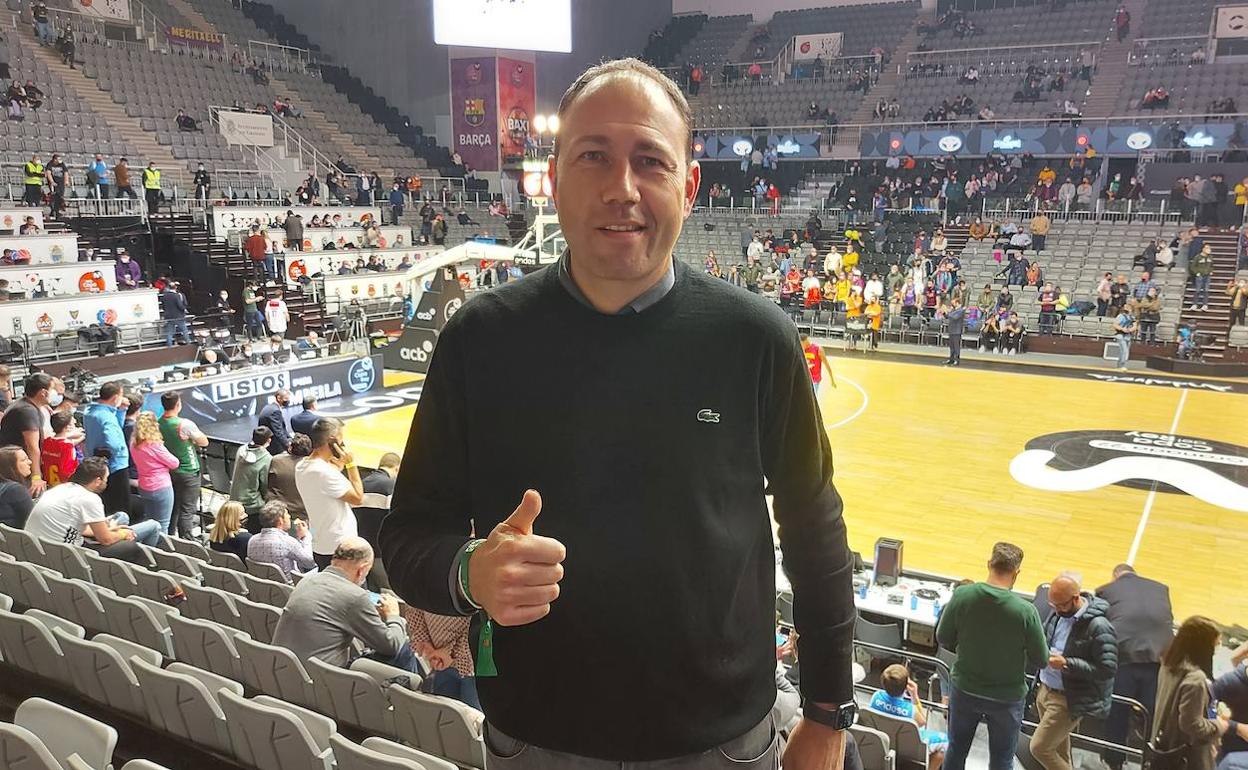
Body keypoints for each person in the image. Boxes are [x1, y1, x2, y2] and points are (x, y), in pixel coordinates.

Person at [381, 58, 855, 770]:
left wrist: (826, 711)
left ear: (688, 186)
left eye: (651, 162)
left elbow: (816, 530)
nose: (621, 189)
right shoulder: (478, 338)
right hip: (534, 740)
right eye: (593, 157)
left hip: (723, 744)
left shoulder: (757, 339)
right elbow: (409, 534)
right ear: (555, 177)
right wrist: (472, 572)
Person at [937, 542, 1048, 770]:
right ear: (1016, 573)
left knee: (956, 750)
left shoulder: (962, 595)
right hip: (1006, 697)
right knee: (1002, 760)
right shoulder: (1026, 612)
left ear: (989, 564)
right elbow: (1041, 659)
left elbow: (943, 636)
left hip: (965, 688)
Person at [271, 537, 422, 673]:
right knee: (403, 648)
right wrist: (393, 615)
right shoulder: (355, 596)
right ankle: (411, 699)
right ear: (362, 570)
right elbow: (391, 646)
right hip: (323, 678)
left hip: (282, 670)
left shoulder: (306, 580)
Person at [1033, 572, 1118, 770]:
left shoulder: (1099, 626)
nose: (1056, 609)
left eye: (1061, 604)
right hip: (1045, 690)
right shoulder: (1057, 613)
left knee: (1039, 748)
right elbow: (1046, 638)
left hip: (1068, 699)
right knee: (1059, 751)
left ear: (1076, 598)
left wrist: (1067, 664)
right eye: (1053, 604)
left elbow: (1107, 669)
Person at [1097, 564, 1175, 770]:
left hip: (1125, 658)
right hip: (1160, 657)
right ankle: (1151, 760)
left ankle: (1114, 761)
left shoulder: (1106, 590)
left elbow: (1100, 627)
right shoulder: (1160, 588)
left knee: (1117, 711)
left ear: (1115, 576)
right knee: (1153, 713)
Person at [24, 457, 160, 562]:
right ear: (97, 480)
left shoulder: (60, 489)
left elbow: (74, 525)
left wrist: (111, 530)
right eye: (106, 478)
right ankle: (146, 567)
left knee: (121, 516)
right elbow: (106, 540)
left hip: (42, 550)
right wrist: (123, 534)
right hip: (68, 556)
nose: (107, 481)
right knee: (154, 526)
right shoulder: (89, 499)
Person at [1153, 617, 1237, 770]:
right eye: (1215, 644)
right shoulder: (1195, 679)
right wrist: (1219, 726)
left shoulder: (1168, 663)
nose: (1216, 649)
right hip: (1185, 757)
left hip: (1164, 746)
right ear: (1203, 646)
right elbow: (1191, 724)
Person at [295, 419, 364, 570]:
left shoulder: (301, 466)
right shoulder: (324, 473)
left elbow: (326, 482)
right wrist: (351, 465)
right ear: (332, 441)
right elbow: (358, 497)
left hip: (320, 545)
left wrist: (339, 464)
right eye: (340, 440)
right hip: (341, 547)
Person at [870, 664, 948, 770]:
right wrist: (914, 696)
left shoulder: (876, 697)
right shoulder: (910, 709)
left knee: (939, 754)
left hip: (884, 742)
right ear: (906, 684)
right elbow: (923, 722)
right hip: (909, 749)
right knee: (945, 740)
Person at [406, 608, 480, 710]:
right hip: (440, 663)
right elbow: (413, 602)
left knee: (475, 720)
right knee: (443, 718)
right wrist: (424, 640)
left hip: (477, 665)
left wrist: (451, 651)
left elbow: (487, 619)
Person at [157, 391, 207, 537]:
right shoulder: (185, 424)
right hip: (189, 471)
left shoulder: (157, 424)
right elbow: (204, 442)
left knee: (174, 507)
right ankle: (187, 540)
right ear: (178, 405)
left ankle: (171, 537)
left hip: (170, 471)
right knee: (187, 509)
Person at [82, 382, 131, 518]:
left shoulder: (90, 411)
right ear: (115, 398)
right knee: (120, 508)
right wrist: (119, 450)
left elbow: (116, 429)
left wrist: (121, 411)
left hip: (98, 462)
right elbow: (113, 442)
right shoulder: (106, 417)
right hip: (116, 466)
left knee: (106, 503)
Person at [0, 372, 54, 497]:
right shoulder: (27, 411)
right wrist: (36, 477)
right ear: (43, 393)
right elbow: (32, 446)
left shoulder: (23, 405)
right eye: (52, 390)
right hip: (17, 467)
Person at [130, 410, 178, 535]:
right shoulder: (154, 445)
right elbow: (174, 463)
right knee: (163, 524)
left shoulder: (134, 444)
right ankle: (162, 551)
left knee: (150, 522)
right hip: (161, 487)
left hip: (144, 486)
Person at [246, 499, 314, 579]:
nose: (289, 516)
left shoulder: (252, 540)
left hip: (263, 588)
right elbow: (310, 563)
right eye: (287, 514)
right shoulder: (288, 542)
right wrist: (306, 537)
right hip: (288, 588)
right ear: (280, 520)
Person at [230, 427, 272, 530]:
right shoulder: (266, 458)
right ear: (268, 440)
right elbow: (265, 484)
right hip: (253, 505)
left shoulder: (241, 450)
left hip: (234, 499)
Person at [266, 432, 310, 522]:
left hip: (279, 512)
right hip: (303, 513)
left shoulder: (276, 460)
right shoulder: (311, 466)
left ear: (290, 448)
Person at [41, 411, 81, 487]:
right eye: (73, 424)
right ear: (67, 427)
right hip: (64, 485)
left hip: (49, 483)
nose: (75, 423)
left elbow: (59, 442)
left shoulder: (47, 441)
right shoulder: (67, 446)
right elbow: (68, 470)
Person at [0, 446, 35, 527]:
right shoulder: (15, 490)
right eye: (23, 460)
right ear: (10, 467)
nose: (30, 462)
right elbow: (32, 518)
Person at [258, 390, 293, 456]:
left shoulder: (269, 407)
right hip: (274, 447)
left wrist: (290, 438)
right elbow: (278, 432)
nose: (287, 401)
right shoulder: (275, 411)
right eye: (286, 398)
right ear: (279, 398)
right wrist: (288, 445)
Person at [801, 333, 836, 397]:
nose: (800, 345)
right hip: (805, 378)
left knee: (813, 398)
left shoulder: (818, 349)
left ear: (805, 341)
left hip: (815, 379)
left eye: (801, 343)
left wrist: (832, 379)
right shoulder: (802, 349)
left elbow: (827, 364)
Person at [160, 281, 190, 346]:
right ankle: (188, 343)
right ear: (175, 287)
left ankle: (169, 346)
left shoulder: (164, 296)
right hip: (178, 316)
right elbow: (180, 306)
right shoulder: (176, 296)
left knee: (169, 333)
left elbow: (163, 307)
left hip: (169, 316)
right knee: (184, 330)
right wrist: (184, 309)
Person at [1113, 305, 1138, 371]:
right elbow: (1115, 325)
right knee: (1124, 350)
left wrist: (1130, 329)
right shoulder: (1120, 316)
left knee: (1123, 351)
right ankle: (1122, 364)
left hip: (1128, 336)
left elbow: (1135, 326)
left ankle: (1119, 365)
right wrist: (1122, 329)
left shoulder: (1132, 317)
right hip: (1120, 335)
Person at [943, 296, 966, 366]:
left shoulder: (961, 310)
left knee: (956, 346)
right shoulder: (954, 310)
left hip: (957, 331)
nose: (952, 304)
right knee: (951, 346)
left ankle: (957, 360)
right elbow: (948, 316)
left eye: (953, 303)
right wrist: (944, 312)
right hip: (951, 329)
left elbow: (954, 317)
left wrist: (948, 312)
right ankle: (951, 359)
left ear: (957, 303)